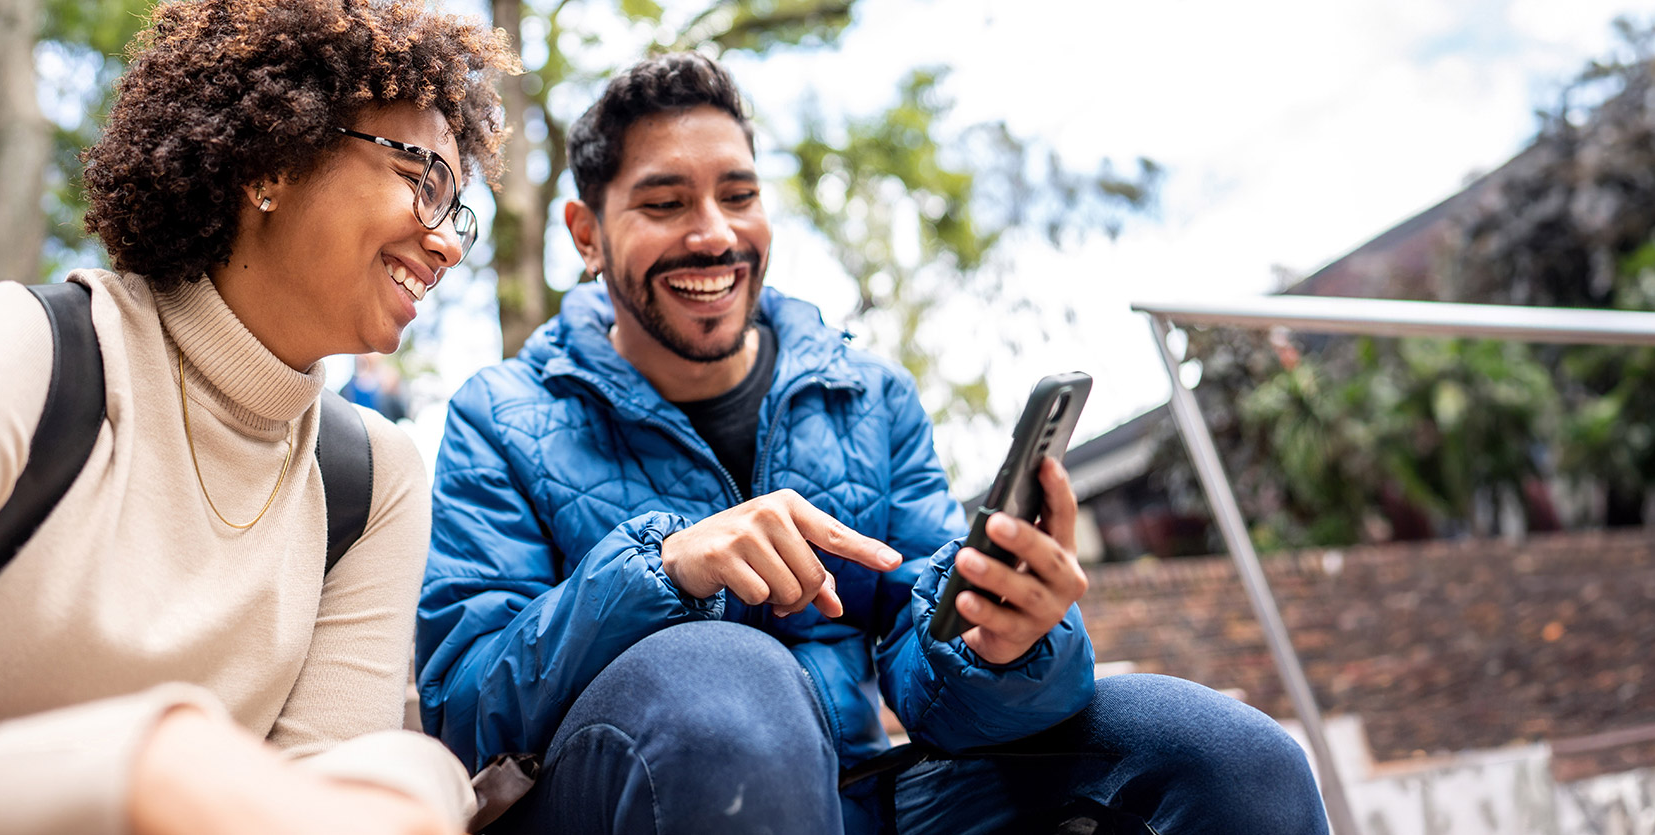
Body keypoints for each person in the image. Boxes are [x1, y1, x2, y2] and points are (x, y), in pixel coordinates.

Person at [419, 52, 1328, 834]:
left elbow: (931, 680)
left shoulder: (870, 396)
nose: (716, 234)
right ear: (585, 233)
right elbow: (465, 705)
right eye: (665, 203)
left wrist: (1002, 639)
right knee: (730, 675)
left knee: (1224, 756)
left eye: (738, 195)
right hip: (624, 798)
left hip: (864, 794)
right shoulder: (500, 415)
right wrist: (662, 569)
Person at [0, 1, 516, 832]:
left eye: (455, 209)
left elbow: (313, 801)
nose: (446, 244)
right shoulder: (17, 354)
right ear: (271, 162)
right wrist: (140, 769)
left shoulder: (372, 483)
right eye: (419, 180)